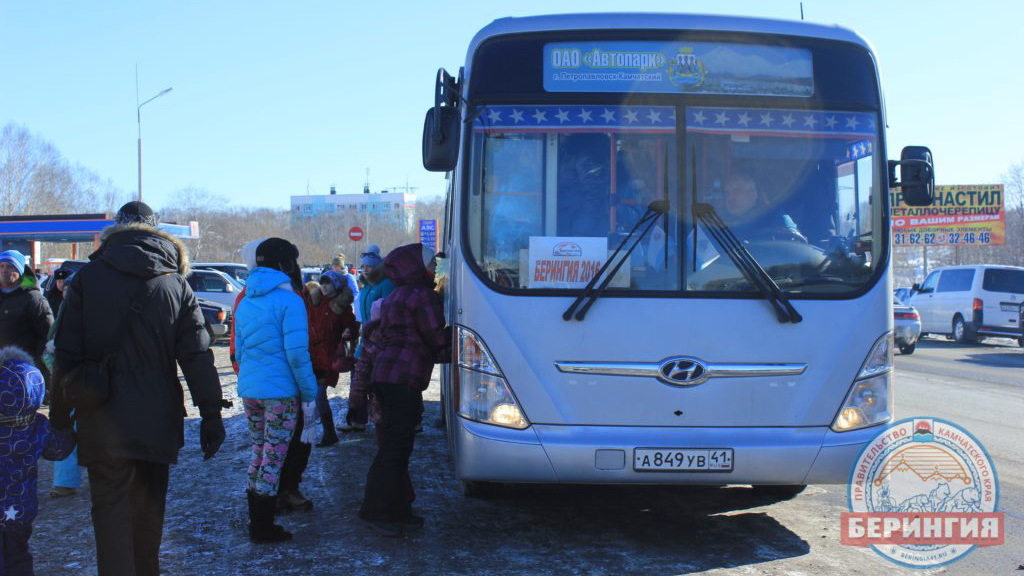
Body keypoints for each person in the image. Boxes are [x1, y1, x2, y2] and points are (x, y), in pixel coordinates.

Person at [51, 201, 226, 576]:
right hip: (156, 417)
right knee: (148, 516)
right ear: (156, 231)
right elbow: (196, 355)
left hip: (101, 416)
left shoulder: (86, 279)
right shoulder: (175, 284)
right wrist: (211, 415)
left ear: (116, 230)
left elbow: (65, 354)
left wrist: (60, 418)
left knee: (110, 517)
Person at [358, 243, 451, 537]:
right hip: (403, 378)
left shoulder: (397, 294)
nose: (435, 268)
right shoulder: (421, 295)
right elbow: (435, 338)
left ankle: (396, 509)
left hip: (386, 375)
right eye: (430, 263)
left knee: (393, 447)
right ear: (416, 266)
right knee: (396, 449)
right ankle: (378, 511)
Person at [234, 237, 319, 542]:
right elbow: (297, 354)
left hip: (251, 389)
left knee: (258, 452)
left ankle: (256, 520)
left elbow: (240, 352)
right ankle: (262, 527)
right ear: (285, 264)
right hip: (281, 392)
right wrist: (309, 392)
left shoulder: (246, 299)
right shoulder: (290, 300)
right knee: (274, 457)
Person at [0, 346, 74, 575]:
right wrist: (68, 428)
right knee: (18, 557)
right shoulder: (37, 425)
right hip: (20, 511)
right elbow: (58, 450)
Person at [339, 244, 394, 433]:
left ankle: (382, 422)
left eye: (369, 266)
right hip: (365, 340)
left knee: (374, 385)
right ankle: (358, 419)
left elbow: (388, 313)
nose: (365, 269)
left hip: (380, 342)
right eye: (363, 266)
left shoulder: (385, 284)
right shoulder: (367, 285)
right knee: (359, 383)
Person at [302, 270, 357, 447]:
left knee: (319, 395)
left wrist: (349, 332)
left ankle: (329, 432)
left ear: (337, 285)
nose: (324, 286)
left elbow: (352, 327)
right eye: (322, 283)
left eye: (328, 283)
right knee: (311, 396)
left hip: (328, 357)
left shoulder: (342, 307)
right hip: (310, 356)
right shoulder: (314, 302)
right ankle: (315, 432)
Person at [0, 250, 53, 388]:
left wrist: (37, 368)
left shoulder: (34, 299)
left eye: (10, 266)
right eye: (1, 266)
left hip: (22, 371)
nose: (4, 270)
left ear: (20, 270)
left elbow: (46, 336)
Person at [720, 171, 806, 242]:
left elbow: (794, 241)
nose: (729, 198)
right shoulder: (720, 222)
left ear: (752, 195)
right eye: (727, 193)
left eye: (736, 191)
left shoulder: (774, 216)